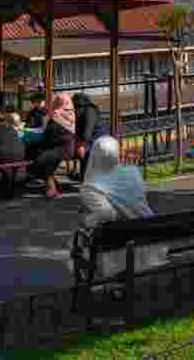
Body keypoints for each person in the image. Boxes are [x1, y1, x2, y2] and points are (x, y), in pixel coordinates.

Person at [79, 135, 168, 280]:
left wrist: (87, 220)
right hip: (147, 233)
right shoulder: (133, 171)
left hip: (118, 243)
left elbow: (107, 215)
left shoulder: (91, 185)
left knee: (88, 234)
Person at [28, 94, 76, 199]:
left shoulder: (56, 116)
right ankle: (52, 186)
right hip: (68, 148)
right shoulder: (70, 114)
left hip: (60, 149)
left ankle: (52, 187)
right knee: (44, 157)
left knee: (37, 159)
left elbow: (50, 135)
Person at [72, 93, 100, 180]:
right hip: (88, 140)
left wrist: (82, 144)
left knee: (84, 154)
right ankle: (84, 175)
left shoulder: (89, 111)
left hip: (95, 140)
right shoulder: (84, 110)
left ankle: (86, 176)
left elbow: (88, 129)